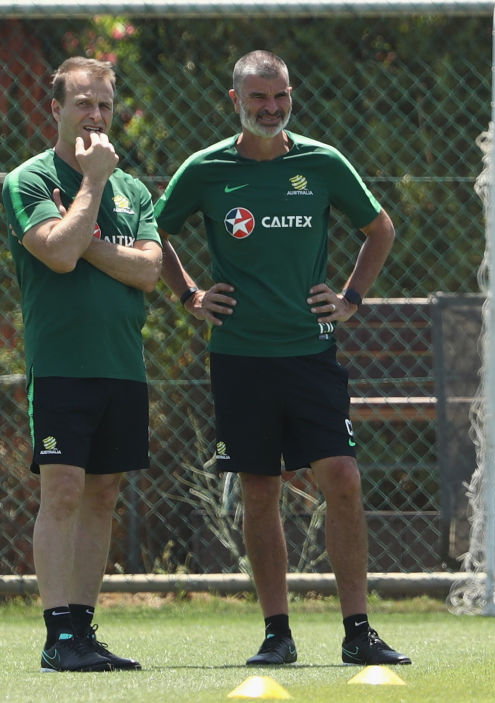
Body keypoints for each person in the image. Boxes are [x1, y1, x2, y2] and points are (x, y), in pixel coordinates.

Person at [155, 50, 410, 667]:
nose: (270, 109)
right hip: (240, 359)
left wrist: (350, 297)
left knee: (343, 480)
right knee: (260, 488)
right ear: (234, 102)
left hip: (311, 356)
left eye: (281, 97)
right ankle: (277, 633)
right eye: (257, 99)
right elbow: (154, 232)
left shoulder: (321, 163)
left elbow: (380, 228)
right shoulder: (206, 169)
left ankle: (358, 631)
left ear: (291, 96)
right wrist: (189, 295)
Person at [2, 57, 162, 672]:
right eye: (83, 105)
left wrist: (89, 238)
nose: (95, 117)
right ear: (56, 111)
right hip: (62, 365)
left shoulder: (136, 190)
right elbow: (60, 256)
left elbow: (149, 270)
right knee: (62, 491)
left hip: (122, 365)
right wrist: (93, 186)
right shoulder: (30, 180)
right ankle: (57, 637)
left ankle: (84, 630)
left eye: (103, 106)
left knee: (103, 495)